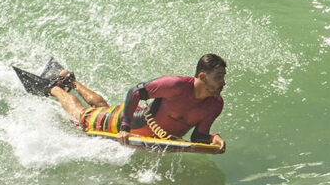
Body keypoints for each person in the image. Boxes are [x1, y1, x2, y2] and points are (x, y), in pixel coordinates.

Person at [47, 54, 227, 152]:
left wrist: (213, 138)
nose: (223, 82)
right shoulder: (175, 85)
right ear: (202, 76)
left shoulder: (215, 105)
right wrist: (124, 128)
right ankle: (54, 87)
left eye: (223, 77)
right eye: (218, 77)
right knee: (79, 115)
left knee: (102, 108)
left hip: (136, 122)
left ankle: (71, 81)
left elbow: (198, 137)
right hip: (128, 122)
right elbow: (135, 92)